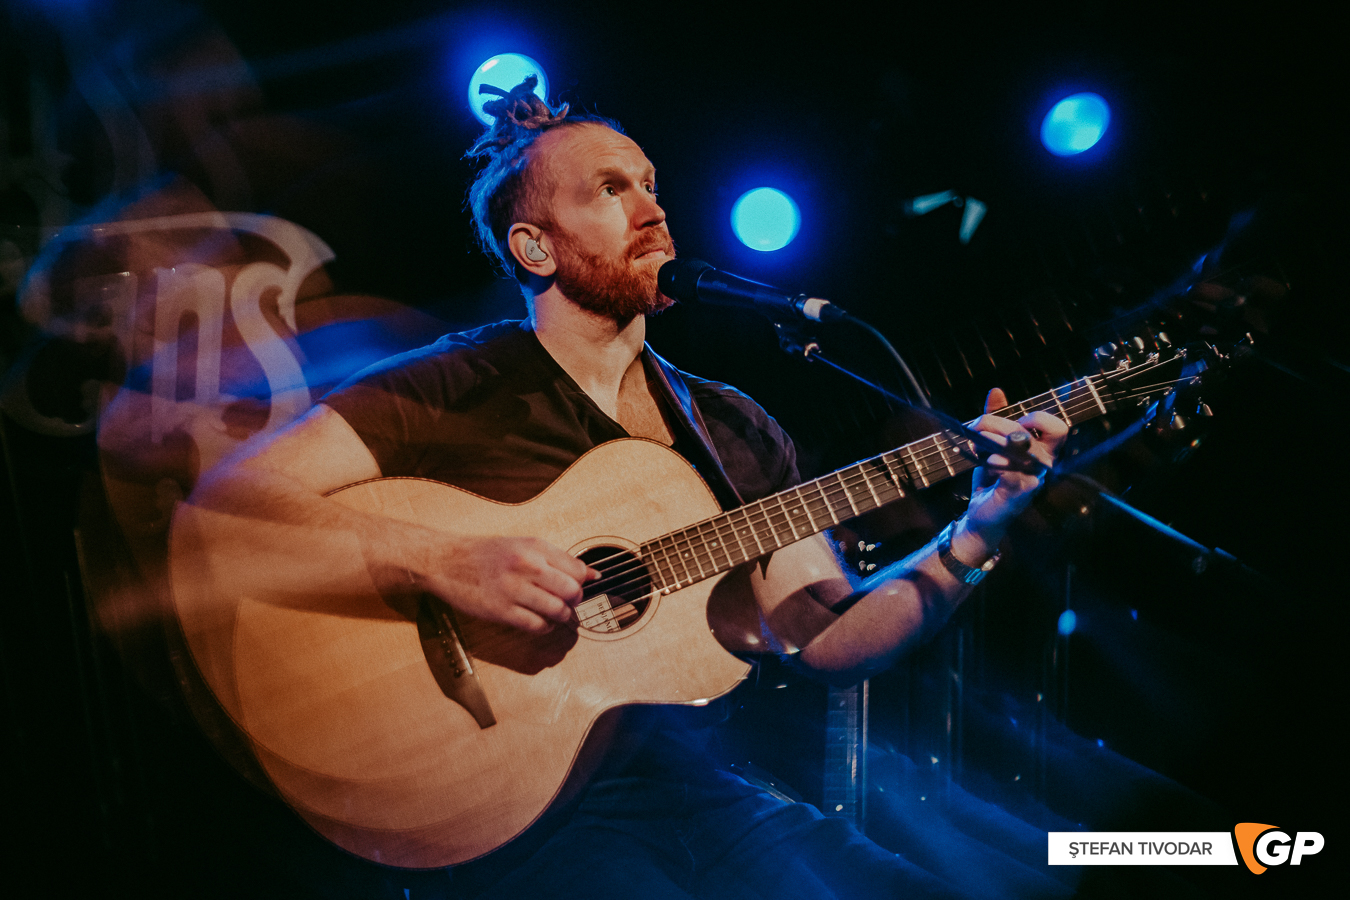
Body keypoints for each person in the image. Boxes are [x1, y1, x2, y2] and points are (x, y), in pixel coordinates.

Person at [189, 79, 1068, 899]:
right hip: (518, 821)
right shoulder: (456, 383)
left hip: (709, 793)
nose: (652, 209)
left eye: (650, 184)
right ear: (534, 246)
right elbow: (230, 508)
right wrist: (445, 561)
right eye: (610, 190)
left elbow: (829, 638)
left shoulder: (731, 426)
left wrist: (980, 527)